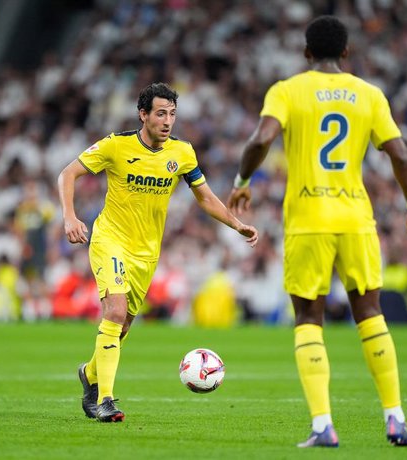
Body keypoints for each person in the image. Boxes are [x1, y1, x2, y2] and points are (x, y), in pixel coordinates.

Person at [227, 16, 407, 448]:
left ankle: (323, 426)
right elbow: (402, 155)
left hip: (308, 219)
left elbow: (261, 139)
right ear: (346, 53)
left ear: (305, 53)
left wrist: (242, 182)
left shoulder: (287, 90)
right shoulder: (369, 94)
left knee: (308, 318)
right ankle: (395, 419)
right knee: (370, 313)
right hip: (356, 218)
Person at [58, 82, 258, 423]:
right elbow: (68, 173)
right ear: (143, 115)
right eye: (161, 114)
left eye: (173, 114)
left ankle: (91, 375)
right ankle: (105, 400)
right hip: (110, 240)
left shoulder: (182, 153)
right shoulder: (116, 145)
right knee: (116, 311)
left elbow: (205, 197)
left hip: (146, 252)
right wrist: (70, 217)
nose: (168, 121)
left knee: (120, 330)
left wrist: (236, 224)